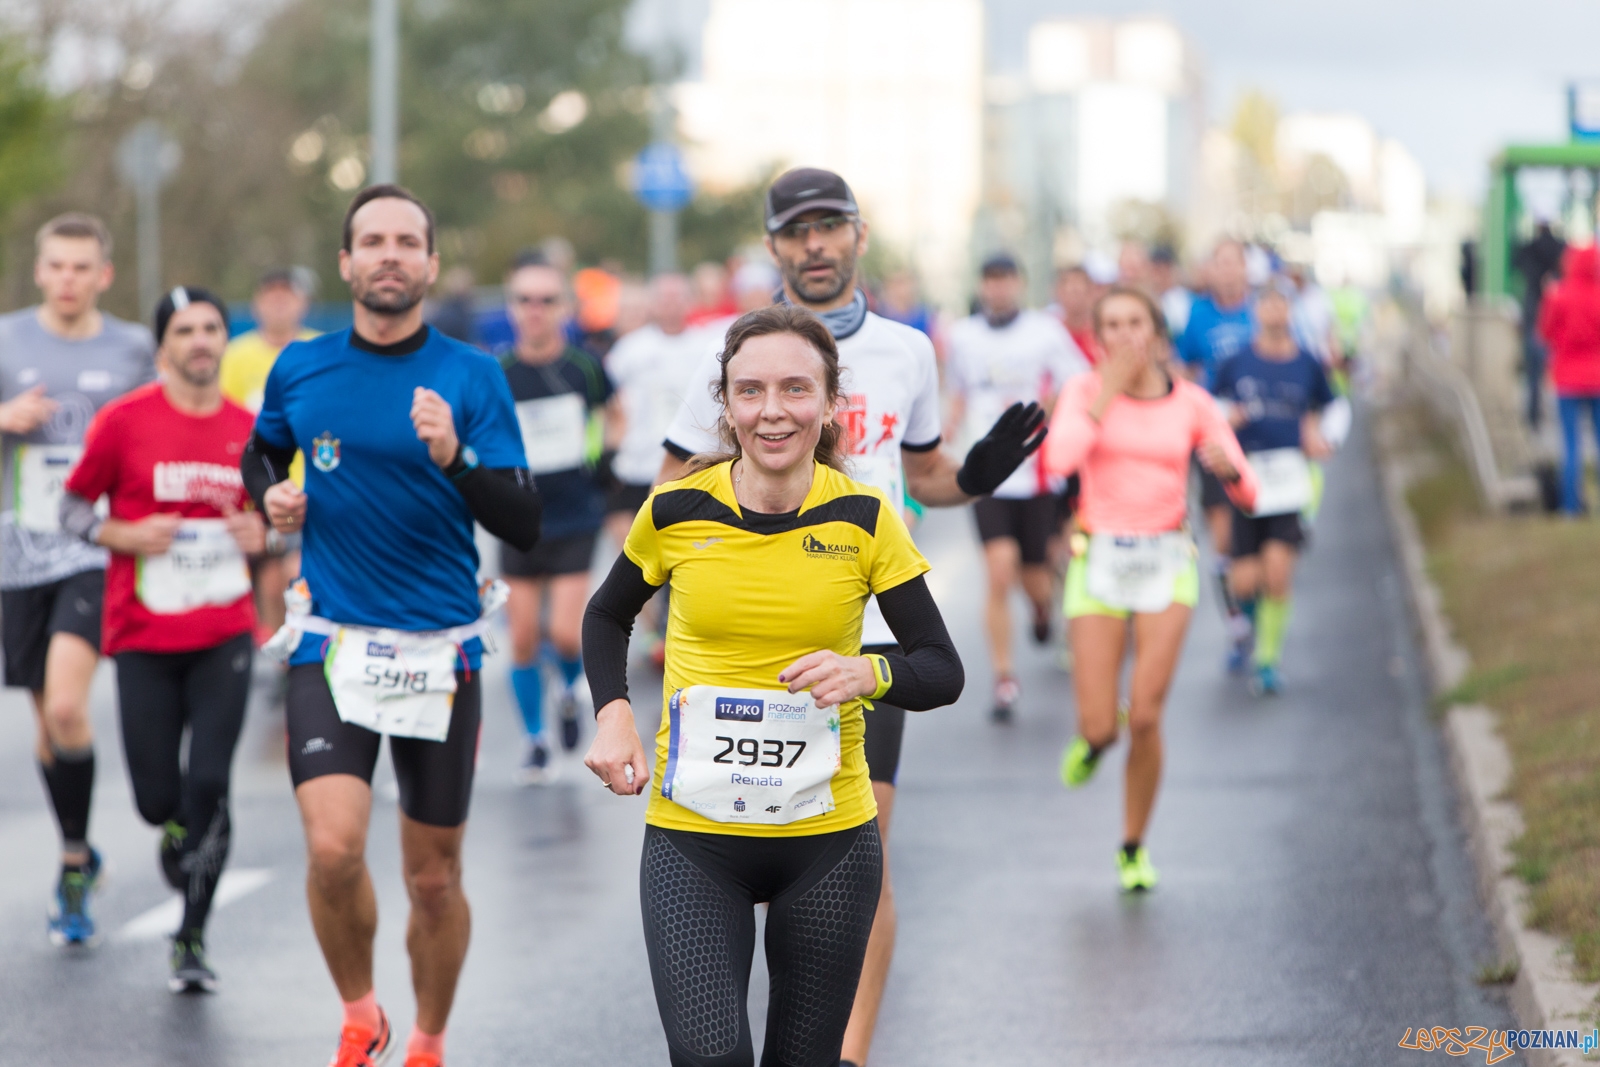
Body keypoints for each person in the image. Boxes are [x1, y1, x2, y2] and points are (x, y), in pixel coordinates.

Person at [658, 167, 1044, 1067]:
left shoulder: (908, 351)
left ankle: (847, 1054)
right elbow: (670, 495)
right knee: (733, 840)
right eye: (797, 232)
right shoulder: (730, 354)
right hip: (747, 633)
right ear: (774, 247)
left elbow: (927, 474)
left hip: (867, 624)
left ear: (860, 236)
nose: (815, 246)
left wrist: (975, 474)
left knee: (861, 847)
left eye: (830, 227)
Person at [583, 304, 964, 1067]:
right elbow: (606, 614)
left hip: (825, 837)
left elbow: (940, 667)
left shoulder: (865, 517)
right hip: (695, 834)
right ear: (725, 403)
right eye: (750, 390)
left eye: (796, 389)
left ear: (829, 404)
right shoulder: (677, 509)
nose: (772, 411)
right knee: (709, 1055)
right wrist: (614, 713)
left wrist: (867, 670)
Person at [242, 184, 539, 1067]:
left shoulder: (471, 375)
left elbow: (522, 518)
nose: (390, 254)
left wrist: (456, 456)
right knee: (333, 849)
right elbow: (260, 446)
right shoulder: (301, 365)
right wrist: (273, 493)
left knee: (433, 878)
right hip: (331, 640)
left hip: (440, 649)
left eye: (408, 241)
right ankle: (359, 1010)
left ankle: (428, 1039)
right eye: (372, 240)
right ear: (345, 262)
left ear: (431, 264)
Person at [61, 286, 265, 991]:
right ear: (163, 347)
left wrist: (264, 529)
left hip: (224, 630)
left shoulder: (250, 427)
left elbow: (284, 513)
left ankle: (191, 934)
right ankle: (176, 831)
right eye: (186, 330)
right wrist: (119, 531)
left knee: (209, 780)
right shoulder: (124, 422)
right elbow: (71, 508)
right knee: (158, 799)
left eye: (212, 327)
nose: (202, 340)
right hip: (144, 632)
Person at [1044, 286, 1256, 892]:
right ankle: (1093, 740)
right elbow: (1059, 461)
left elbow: (1248, 490)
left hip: (1167, 561)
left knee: (1145, 715)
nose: (1123, 335)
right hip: (1100, 560)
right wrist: (1107, 393)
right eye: (1110, 324)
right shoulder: (1084, 392)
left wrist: (1229, 470)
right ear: (1100, 337)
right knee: (1101, 726)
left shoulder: (1191, 403)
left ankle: (1133, 846)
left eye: (1135, 322)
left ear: (1157, 334)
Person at [0, 212, 155, 945]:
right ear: (39, 272)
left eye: (81, 266)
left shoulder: (131, 349)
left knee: (67, 707)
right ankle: (84, 848)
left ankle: (68, 864)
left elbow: (164, 425)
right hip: (20, 550)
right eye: (56, 265)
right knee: (46, 728)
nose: (68, 278)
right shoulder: (7, 339)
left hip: (94, 548)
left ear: (104, 275)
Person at [496, 251, 622, 782]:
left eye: (547, 300)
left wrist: (602, 459)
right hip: (518, 518)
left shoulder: (585, 367)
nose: (536, 310)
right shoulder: (497, 372)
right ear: (510, 307)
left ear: (565, 306)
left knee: (566, 634)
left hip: (574, 514)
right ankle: (535, 739)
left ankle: (570, 689)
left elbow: (615, 415)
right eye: (525, 300)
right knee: (523, 637)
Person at [945, 252, 1087, 720]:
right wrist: (943, 440)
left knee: (1035, 578)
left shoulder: (1045, 332)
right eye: (990, 280)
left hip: (1038, 474)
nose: (998, 289)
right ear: (981, 286)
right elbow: (960, 394)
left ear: (1019, 285)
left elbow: (1080, 382)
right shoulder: (962, 336)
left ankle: (1044, 611)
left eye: (1006, 280)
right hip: (987, 476)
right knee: (999, 572)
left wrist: (1053, 405)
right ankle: (1005, 677)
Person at [1213, 285, 1334, 692]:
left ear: (1291, 310)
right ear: (1256, 310)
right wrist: (1227, 420)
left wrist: (1318, 434)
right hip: (1247, 479)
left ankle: (1267, 662)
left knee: (1278, 573)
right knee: (1245, 580)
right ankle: (1246, 622)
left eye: (1281, 303)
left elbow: (1327, 408)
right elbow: (1209, 409)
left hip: (1290, 479)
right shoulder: (1236, 363)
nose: (1274, 311)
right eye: (1267, 303)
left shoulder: (1307, 363)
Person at [220, 267, 319, 642]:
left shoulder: (319, 350)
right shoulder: (235, 356)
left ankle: (303, 643)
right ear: (257, 303)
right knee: (270, 574)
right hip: (254, 490)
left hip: (311, 490)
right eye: (271, 295)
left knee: (295, 568)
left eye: (288, 294)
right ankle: (278, 647)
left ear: (303, 302)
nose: (279, 303)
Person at [1176, 238, 1255, 642]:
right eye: (1218, 263)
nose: (1226, 271)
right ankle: (1235, 614)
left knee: (1258, 529)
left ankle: (1256, 605)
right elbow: (1183, 367)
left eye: (1233, 263)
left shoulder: (1260, 311)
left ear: (1245, 269)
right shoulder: (1197, 314)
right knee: (1223, 536)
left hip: (1259, 437)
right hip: (1212, 436)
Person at [1536, 244, 1600, 516]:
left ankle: (1570, 506)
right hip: (1597, 375)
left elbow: (1545, 332)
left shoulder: (1558, 295)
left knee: (1571, 443)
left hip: (1567, 377)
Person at [1515, 221, 1567, 428]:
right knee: (1556, 367)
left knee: (1534, 370)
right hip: (1553, 313)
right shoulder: (1561, 249)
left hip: (1533, 312)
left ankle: (1534, 415)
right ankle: (1555, 415)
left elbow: (1515, 265)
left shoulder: (1528, 249)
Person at [1051, 265, 1102, 365]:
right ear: (1058, 292)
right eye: (1068, 290)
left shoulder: (1102, 332)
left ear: (1091, 292)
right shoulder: (1049, 330)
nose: (1073, 289)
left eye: (1077, 292)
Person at [1149, 245, 1192, 339]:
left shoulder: (1186, 299)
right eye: (1156, 270)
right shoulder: (1148, 298)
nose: (1160, 276)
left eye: (1164, 270)